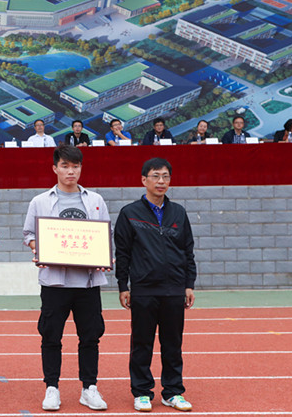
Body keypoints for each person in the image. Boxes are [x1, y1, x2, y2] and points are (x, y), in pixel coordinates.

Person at [22, 144, 109, 412]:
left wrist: (105, 256)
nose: (71, 171)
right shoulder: (40, 201)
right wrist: (38, 249)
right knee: (51, 336)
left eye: (75, 166)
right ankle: (52, 388)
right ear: (55, 168)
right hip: (54, 282)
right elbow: (29, 235)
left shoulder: (96, 200)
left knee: (90, 336)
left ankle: (89, 388)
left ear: (81, 168)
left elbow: (105, 235)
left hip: (88, 282)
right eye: (65, 166)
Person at [114, 157, 196, 413]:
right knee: (142, 344)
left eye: (165, 176)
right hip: (144, 290)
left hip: (173, 289)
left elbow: (188, 250)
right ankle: (141, 392)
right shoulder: (129, 213)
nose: (161, 181)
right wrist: (123, 285)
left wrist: (189, 284)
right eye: (156, 176)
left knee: (173, 345)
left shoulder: (178, 212)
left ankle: (173, 392)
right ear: (144, 180)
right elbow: (123, 253)